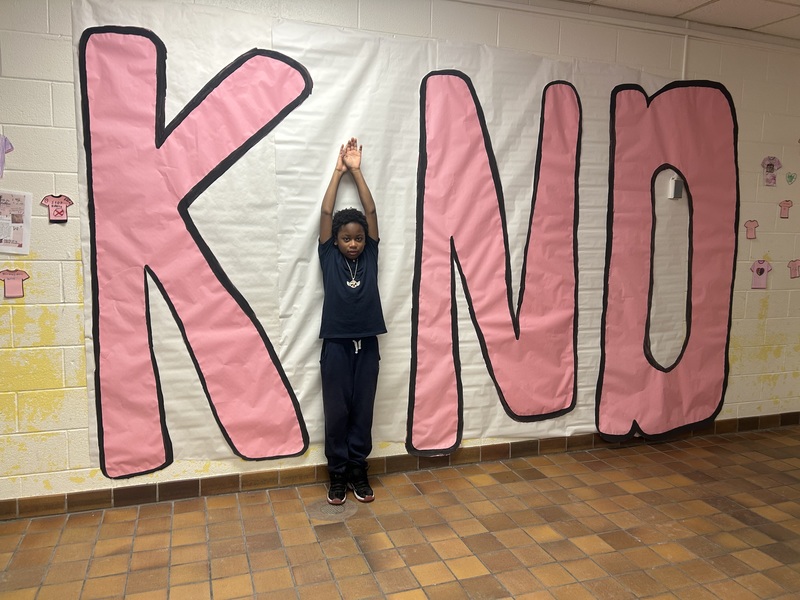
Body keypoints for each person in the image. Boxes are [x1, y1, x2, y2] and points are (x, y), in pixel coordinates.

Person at [318, 137, 387, 504]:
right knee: (337, 411)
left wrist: (358, 172)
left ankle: (359, 470)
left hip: (368, 342)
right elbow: (326, 216)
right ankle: (338, 474)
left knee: (362, 409)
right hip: (336, 344)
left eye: (358, 238)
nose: (354, 243)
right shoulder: (329, 258)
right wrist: (338, 172)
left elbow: (371, 212)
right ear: (337, 241)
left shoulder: (370, 256)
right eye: (347, 238)